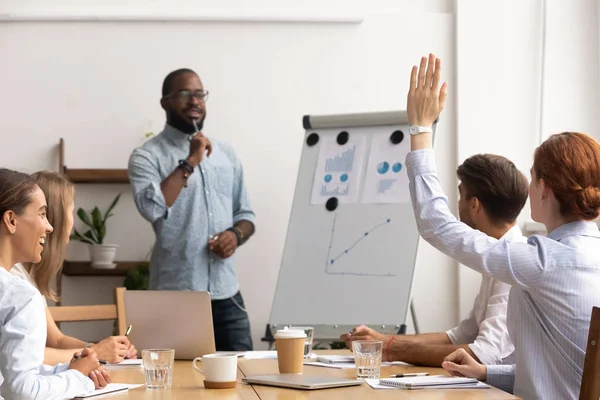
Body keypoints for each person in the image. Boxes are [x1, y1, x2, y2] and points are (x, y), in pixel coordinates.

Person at [405, 54, 600, 399]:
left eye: (533, 174)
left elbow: (436, 225)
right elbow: (560, 376)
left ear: (543, 188)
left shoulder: (542, 262)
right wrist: (485, 372)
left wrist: (420, 130)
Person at [342, 153, 528, 367]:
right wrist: (381, 340)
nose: (457, 205)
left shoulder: (513, 264)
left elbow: (484, 355)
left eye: (461, 196)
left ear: (474, 205)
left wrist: (392, 348)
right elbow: (461, 336)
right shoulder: (499, 257)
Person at [128, 68, 256, 351]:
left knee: (242, 382)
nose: (194, 101)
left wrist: (235, 235)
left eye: (199, 94)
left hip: (227, 295)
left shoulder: (226, 153)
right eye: (184, 94)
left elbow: (246, 216)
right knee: (174, 387)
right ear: (165, 102)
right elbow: (151, 208)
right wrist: (191, 160)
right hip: (176, 297)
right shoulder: (147, 155)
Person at [0, 168, 111, 399]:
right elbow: (22, 392)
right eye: (41, 214)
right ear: (11, 220)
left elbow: (8, 373)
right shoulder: (19, 296)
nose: (49, 227)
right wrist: (78, 378)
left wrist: (69, 370)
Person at [10, 171, 137, 365]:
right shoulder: (12, 280)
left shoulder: (25, 276)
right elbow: (22, 355)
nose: (73, 222)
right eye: (72, 211)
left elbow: (57, 340)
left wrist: (105, 349)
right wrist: (95, 352)